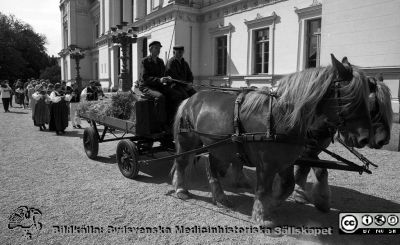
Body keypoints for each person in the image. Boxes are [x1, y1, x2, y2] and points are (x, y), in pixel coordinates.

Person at [138, 41, 186, 132]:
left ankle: (173, 120)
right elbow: (145, 78)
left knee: (176, 94)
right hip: (147, 86)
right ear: (150, 49)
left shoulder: (160, 61)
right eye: (156, 48)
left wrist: (168, 78)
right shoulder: (145, 61)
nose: (158, 50)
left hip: (158, 86)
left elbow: (164, 73)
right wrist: (159, 80)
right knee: (160, 97)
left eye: (159, 48)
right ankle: (160, 123)